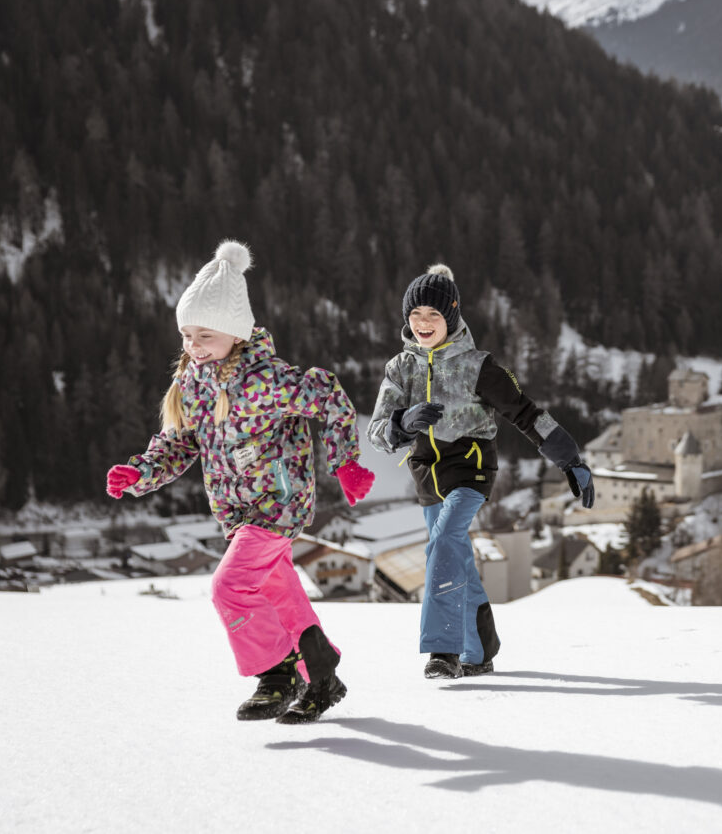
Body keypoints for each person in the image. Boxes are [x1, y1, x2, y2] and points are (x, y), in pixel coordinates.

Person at [105, 241, 375, 723]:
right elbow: (181, 443)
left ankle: (277, 672)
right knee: (277, 592)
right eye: (187, 335)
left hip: (278, 505)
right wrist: (141, 472)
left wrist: (345, 461)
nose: (193, 346)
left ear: (235, 332)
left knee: (229, 587)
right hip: (236, 511)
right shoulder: (193, 383)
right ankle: (321, 674)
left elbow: (329, 395)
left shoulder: (265, 380)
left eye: (205, 334)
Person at [367, 264, 594, 679]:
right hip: (426, 476)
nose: (423, 324)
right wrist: (403, 423)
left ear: (451, 317)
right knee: (456, 558)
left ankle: (444, 650)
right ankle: (480, 651)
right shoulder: (400, 368)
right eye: (415, 315)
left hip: (470, 469)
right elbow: (377, 433)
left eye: (433, 315)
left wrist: (571, 458)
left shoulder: (479, 366)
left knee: (443, 543)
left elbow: (527, 413)